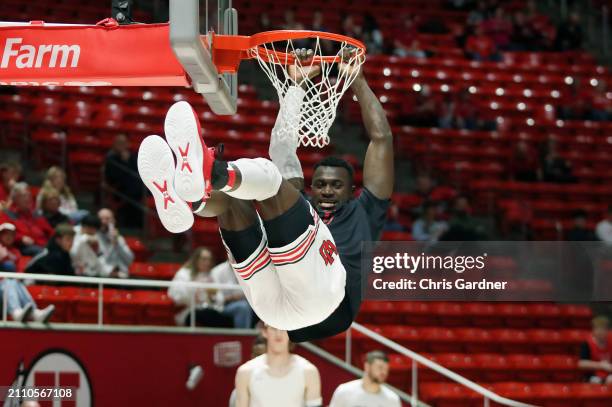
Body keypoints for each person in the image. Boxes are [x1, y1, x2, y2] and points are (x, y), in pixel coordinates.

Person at [137, 50, 393, 342]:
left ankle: (212, 170)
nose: (326, 190)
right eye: (320, 183)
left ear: (352, 191)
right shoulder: (301, 207)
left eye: (336, 185)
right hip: (273, 313)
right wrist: (295, 87)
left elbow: (382, 139)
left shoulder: (365, 211)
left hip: (328, 303)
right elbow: (283, 147)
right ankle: (192, 197)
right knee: (236, 199)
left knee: (271, 179)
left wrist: (357, 80)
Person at [234, 325, 322, 407]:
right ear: (264, 331)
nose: (279, 333)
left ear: (291, 332)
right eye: (274, 327)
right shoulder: (245, 372)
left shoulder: (309, 372)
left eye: (283, 327)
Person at [168, 247, 233, 327]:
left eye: (209, 259)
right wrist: (195, 289)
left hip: (210, 310)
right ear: (196, 259)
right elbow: (176, 296)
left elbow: (220, 299)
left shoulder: (212, 275)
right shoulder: (184, 274)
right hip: (189, 310)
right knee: (205, 315)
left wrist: (212, 297)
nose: (207, 262)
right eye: (204, 259)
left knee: (225, 318)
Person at [329, 350, 401, 407]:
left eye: (386, 369)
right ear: (367, 366)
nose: (384, 372)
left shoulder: (392, 399)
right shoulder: (344, 391)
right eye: (380, 367)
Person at [103, 134, 144, 228]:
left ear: (127, 144)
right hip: (117, 187)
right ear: (114, 144)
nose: (121, 145)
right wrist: (124, 162)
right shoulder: (110, 158)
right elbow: (113, 176)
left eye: (123, 143)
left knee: (136, 190)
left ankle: (136, 225)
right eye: (119, 143)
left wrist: (127, 160)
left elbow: (138, 171)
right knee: (134, 192)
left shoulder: (132, 156)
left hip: (133, 188)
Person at [3, 183, 54, 256]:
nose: (28, 198)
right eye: (23, 196)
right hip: (25, 247)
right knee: (45, 254)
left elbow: (50, 230)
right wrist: (21, 238)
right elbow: (5, 234)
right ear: (15, 199)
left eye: (29, 195)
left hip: (44, 244)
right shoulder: (8, 214)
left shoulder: (35, 214)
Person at [211, 260, 254, 329]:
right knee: (243, 307)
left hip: (246, 302)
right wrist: (232, 298)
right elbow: (217, 297)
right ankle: (242, 336)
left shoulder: (248, 269)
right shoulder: (217, 271)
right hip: (222, 306)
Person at [228, 334, 268, 407]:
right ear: (252, 357)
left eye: (264, 355)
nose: (260, 359)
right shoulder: (238, 392)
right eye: (257, 355)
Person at [96, 208, 134, 278]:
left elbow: (130, 260)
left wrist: (117, 243)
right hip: (103, 277)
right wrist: (112, 244)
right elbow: (100, 261)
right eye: (101, 219)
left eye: (107, 219)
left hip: (122, 277)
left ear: (113, 221)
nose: (104, 222)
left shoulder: (119, 239)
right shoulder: (94, 238)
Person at [578, 316, 612, 384]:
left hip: (609, 374)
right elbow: (582, 363)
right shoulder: (586, 343)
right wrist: (601, 365)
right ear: (593, 330)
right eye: (598, 329)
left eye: (603, 329)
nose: (601, 332)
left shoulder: (610, 342)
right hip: (592, 376)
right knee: (596, 382)